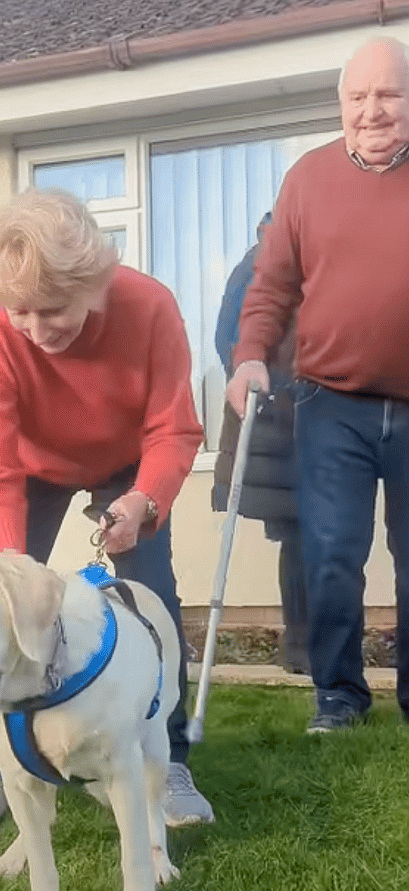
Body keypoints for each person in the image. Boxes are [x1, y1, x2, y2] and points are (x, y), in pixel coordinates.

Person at [0, 186, 215, 846]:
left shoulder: (148, 307)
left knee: (150, 594)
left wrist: (140, 500)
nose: (35, 328)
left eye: (52, 308)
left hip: (125, 463)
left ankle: (167, 758)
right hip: (30, 467)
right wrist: (11, 573)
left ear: (93, 281)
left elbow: (174, 429)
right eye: (20, 312)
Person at [227, 36, 409, 732]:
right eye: (358, 97)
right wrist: (248, 356)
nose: (373, 110)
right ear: (341, 105)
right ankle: (338, 695)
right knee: (332, 553)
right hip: (332, 402)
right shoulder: (307, 179)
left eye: (388, 94)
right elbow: (271, 285)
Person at [213, 213, 309, 674]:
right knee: (302, 538)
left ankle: (310, 647)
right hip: (280, 422)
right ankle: (303, 648)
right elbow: (229, 343)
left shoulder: (304, 265)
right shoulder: (254, 272)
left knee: (312, 539)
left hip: (301, 419)